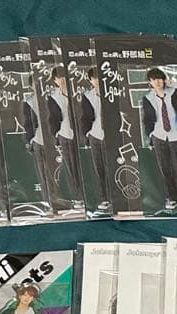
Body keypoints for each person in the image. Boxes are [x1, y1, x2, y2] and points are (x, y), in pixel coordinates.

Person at [141, 67, 177, 211]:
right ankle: (171, 197)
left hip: (176, 134)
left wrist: (176, 84)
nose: (157, 82)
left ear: (164, 80)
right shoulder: (148, 98)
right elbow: (147, 119)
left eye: (160, 78)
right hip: (158, 136)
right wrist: (150, 134)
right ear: (150, 82)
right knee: (165, 168)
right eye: (154, 79)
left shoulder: (175, 92)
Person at [46, 66, 82, 208]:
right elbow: (52, 119)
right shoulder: (53, 98)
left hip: (77, 135)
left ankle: (85, 196)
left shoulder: (75, 94)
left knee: (81, 165)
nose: (62, 80)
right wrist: (56, 135)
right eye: (58, 78)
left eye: (63, 77)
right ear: (55, 80)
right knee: (70, 167)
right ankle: (77, 198)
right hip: (64, 135)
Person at [78, 66, 112, 213]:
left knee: (111, 167)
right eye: (94, 78)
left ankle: (114, 198)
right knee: (99, 169)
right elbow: (84, 117)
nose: (97, 80)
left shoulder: (111, 93)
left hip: (109, 136)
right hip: (95, 135)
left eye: (99, 77)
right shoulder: (87, 96)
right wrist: (87, 134)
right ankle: (104, 199)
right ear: (90, 80)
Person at [21, 97, 58, 210]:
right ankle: (50, 202)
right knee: (47, 173)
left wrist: (30, 139)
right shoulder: (37, 101)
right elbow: (28, 122)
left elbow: (28, 122)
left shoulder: (33, 101)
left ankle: (51, 202)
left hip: (44, 140)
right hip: (43, 141)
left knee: (47, 173)